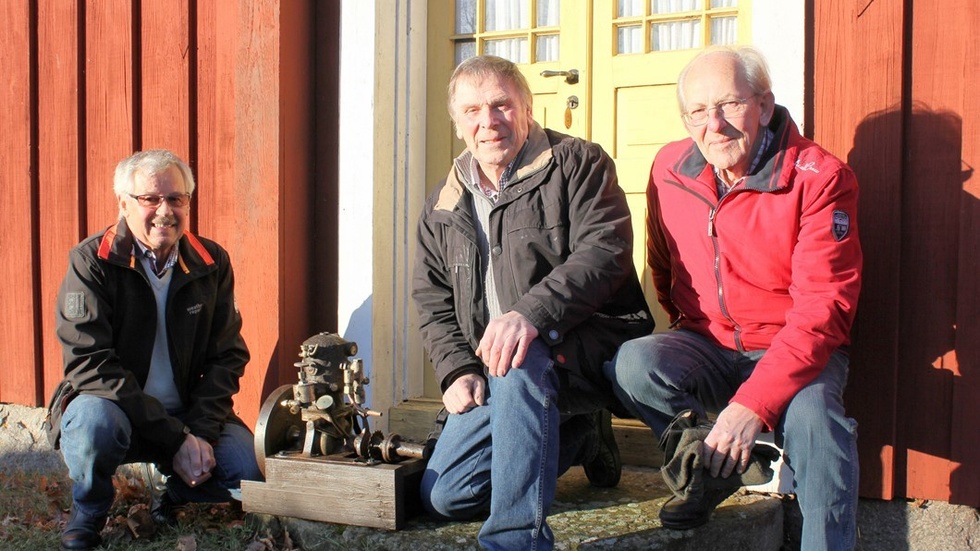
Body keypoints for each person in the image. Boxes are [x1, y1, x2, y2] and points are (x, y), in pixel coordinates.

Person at [603, 46, 862, 549]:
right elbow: (663, 261)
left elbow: (822, 311)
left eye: (729, 105)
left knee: (817, 425)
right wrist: (687, 324)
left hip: (792, 347)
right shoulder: (668, 167)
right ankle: (709, 471)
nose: (713, 125)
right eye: (697, 111)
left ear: (764, 106)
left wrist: (752, 405)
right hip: (709, 343)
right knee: (632, 364)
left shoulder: (821, 178)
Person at [412, 55, 654, 550]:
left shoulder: (580, 164)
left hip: (585, 342)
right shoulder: (442, 204)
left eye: (501, 105)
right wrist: (457, 368)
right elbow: (431, 298)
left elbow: (604, 252)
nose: (489, 121)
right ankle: (583, 435)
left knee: (522, 359)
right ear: (457, 124)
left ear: (526, 107)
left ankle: (514, 540)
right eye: (473, 110)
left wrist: (530, 315)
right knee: (447, 496)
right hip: (495, 366)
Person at [45, 149, 262, 551]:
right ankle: (88, 514)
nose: (165, 210)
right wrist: (176, 438)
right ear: (123, 204)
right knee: (96, 427)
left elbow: (228, 355)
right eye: (151, 199)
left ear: (188, 203)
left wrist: (198, 432)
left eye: (176, 198)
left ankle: (173, 494)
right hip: (113, 408)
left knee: (249, 472)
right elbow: (90, 364)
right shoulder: (92, 261)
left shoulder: (211, 261)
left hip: (184, 412)